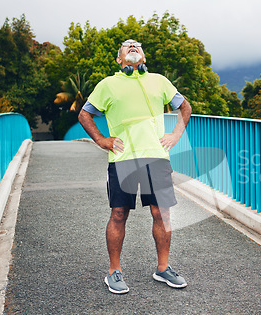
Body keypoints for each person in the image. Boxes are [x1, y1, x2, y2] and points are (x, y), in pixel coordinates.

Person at [78, 39, 192, 294]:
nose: (132, 46)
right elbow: (84, 114)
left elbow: (185, 107)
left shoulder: (159, 81)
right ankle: (113, 272)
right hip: (123, 159)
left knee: (161, 214)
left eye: (137, 46)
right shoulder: (108, 85)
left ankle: (163, 268)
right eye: (126, 46)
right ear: (120, 60)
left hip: (156, 158)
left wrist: (175, 136)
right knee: (119, 214)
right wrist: (101, 139)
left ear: (143, 57)